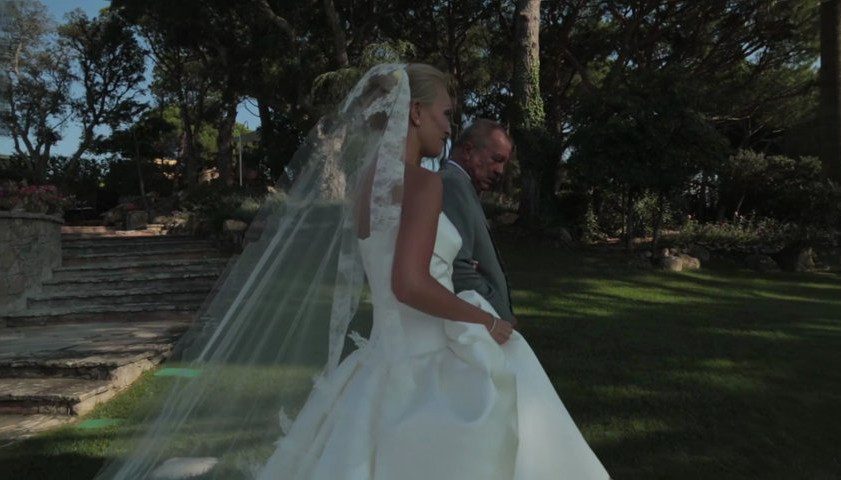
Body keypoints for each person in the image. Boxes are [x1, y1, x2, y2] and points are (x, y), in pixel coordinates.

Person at [94, 63, 609, 480]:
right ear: (414, 112)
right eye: (446, 114)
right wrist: (487, 323)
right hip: (431, 354)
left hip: (387, 357)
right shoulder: (423, 185)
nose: (449, 127)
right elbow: (409, 284)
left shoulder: (367, 188)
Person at [440, 119, 515, 325]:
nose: (500, 171)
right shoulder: (451, 184)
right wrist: (499, 314)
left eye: (504, 163)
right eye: (496, 159)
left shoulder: (463, 186)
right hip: (479, 323)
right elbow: (457, 266)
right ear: (467, 151)